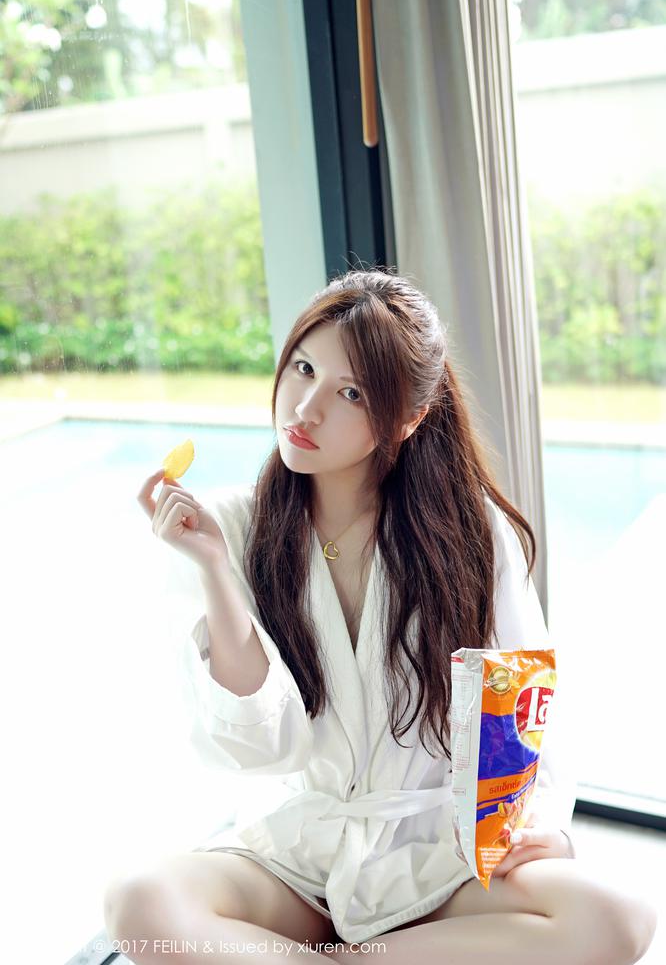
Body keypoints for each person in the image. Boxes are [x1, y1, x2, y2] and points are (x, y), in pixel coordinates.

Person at [107, 269, 657, 964]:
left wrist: (538, 823)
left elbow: (521, 699)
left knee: (619, 914)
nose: (305, 408)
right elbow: (259, 749)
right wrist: (215, 569)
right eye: (304, 368)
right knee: (140, 903)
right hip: (299, 855)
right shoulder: (228, 527)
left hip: (435, 855)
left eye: (351, 393)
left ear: (407, 418)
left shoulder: (468, 531)